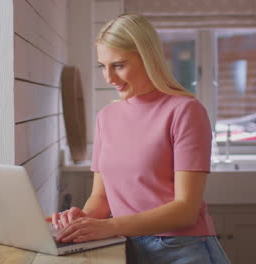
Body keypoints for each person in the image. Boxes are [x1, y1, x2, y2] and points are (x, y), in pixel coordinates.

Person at [52, 14, 231, 264]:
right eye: (103, 66)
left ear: (148, 57)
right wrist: (82, 220)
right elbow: (101, 198)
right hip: (126, 247)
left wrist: (110, 227)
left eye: (118, 65)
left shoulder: (185, 110)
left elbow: (186, 210)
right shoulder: (106, 117)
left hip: (182, 249)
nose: (109, 78)